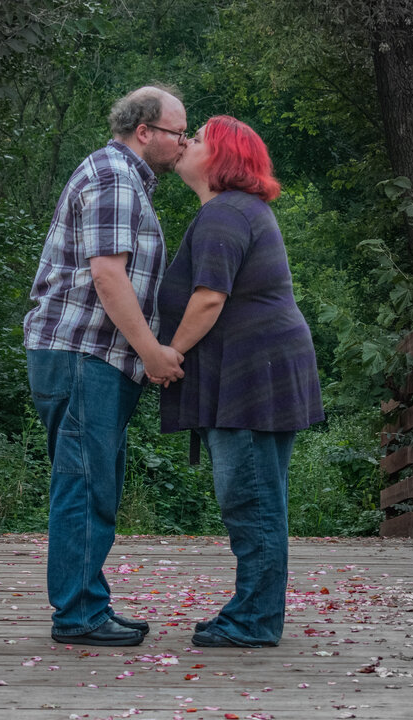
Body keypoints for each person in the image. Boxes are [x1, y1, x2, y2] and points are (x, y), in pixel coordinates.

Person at [22, 85, 189, 647]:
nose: (183, 142)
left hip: (87, 355)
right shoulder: (116, 176)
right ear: (145, 131)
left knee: (94, 480)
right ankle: (78, 616)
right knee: (85, 482)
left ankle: (88, 604)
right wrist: (152, 354)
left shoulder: (120, 175)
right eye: (177, 132)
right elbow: (108, 277)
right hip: (83, 354)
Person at [155, 115, 325, 648]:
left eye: (199, 138)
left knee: (249, 497)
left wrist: (169, 353)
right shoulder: (236, 211)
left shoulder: (225, 213)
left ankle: (253, 620)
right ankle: (254, 611)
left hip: (253, 375)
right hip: (262, 369)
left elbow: (209, 298)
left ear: (222, 157)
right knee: (257, 495)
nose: (186, 143)